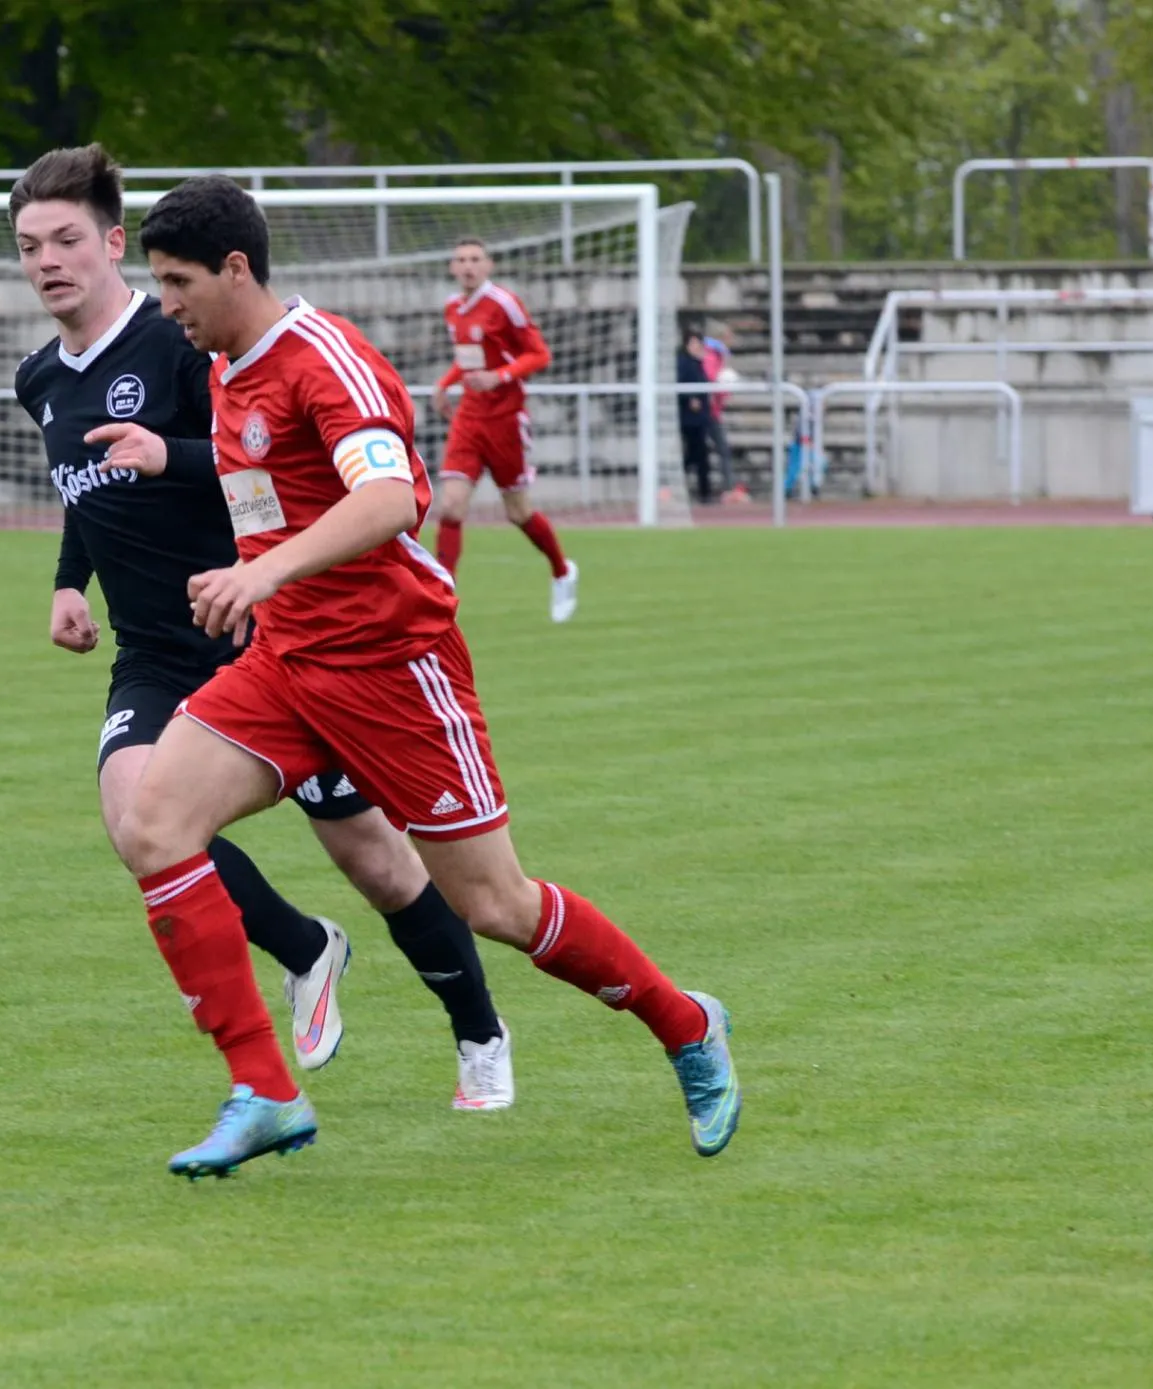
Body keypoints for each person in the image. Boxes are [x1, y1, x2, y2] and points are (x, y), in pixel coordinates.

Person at [122, 176, 739, 1178]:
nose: (165, 304)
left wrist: (260, 573)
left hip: (394, 670)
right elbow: (277, 498)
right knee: (152, 824)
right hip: (285, 665)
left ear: (235, 269)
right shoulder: (227, 367)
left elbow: (389, 499)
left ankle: (685, 1024)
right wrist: (244, 564)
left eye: (177, 282)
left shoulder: (326, 359)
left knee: (496, 904)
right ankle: (265, 1090)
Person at [11, 146, 512, 1107]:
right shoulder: (39, 377)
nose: (47, 261)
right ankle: (302, 947)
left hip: (261, 634)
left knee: (376, 860)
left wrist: (170, 457)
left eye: (66, 239)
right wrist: (70, 581)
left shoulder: (181, 337)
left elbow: (263, 458)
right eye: (30, 246)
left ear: (112, 243)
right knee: (138, 819)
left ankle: (479, 1029)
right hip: (154, 649)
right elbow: (87, 486)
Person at [431, 238, 578, 622]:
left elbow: (540, 354)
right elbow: (467, 361)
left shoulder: (504, 303)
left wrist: (500, 376)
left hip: (506, 421)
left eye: (475, 259)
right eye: (461, 259)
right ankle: (441, 598)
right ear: (452, 267)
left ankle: (562, 570)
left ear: (488, 265)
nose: (468, 266)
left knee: (518, 512)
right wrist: (445, 383)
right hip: (468, 419)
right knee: (450, 505)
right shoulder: (452, 308)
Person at [702, 333, 744, 502]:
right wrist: (723, 387)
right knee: (719, 450)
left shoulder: (717, 355)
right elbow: (711, 380)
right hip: (708, 413)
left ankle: (727, 487)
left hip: (712, 412)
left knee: (709, 451)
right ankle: (728, 488)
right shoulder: (711, 356)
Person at [677, 331, 715, 505]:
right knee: (698, 456)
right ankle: (704, 493)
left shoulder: (698, 363)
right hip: (689, 419)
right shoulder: (683, 363)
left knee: (696, 456)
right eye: (693, 343)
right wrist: (690, 398)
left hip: (700, 418)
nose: (696, 347)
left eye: (698, 343)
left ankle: (703, 492)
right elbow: (679, 384)